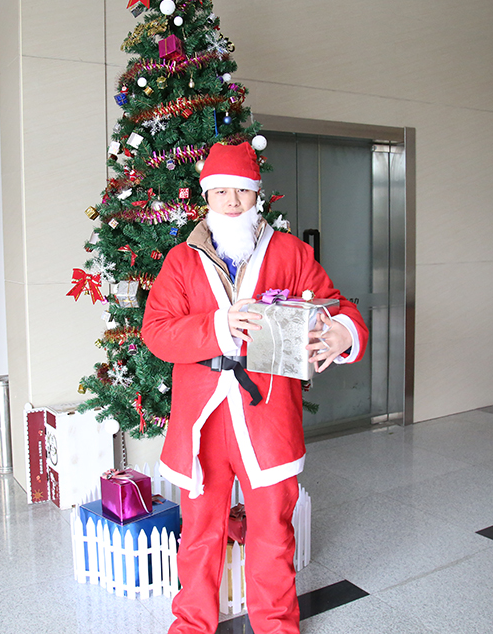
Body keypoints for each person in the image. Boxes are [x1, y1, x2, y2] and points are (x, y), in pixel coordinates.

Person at [142, 142, 369, 634]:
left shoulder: (291, 253)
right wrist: (218, 326)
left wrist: (341, 333)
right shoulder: (181, 261)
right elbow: (156, 331)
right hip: (202, 417)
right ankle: (191, 625)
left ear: (256, 195)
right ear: (206, 196)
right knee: (199, 531)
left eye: (241, 191)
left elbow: (338, 307)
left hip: (267, 415)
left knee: (272, 531)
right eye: (221, 191)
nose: (231, 201)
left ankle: (277, 627)